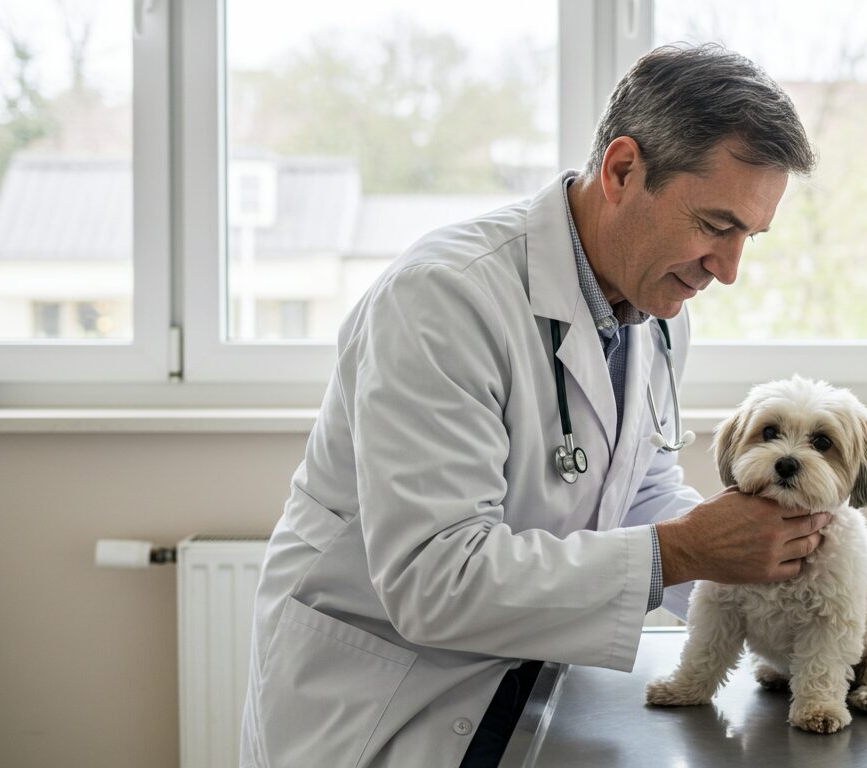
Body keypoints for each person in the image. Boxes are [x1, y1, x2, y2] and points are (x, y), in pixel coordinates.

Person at [240, 43, 822, 768]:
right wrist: (687, 551)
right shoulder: (443, 299)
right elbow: (435, 580)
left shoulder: (661, 308)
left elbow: (639, 487)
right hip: (387, 704)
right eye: (715, 225)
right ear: (621, 171)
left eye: (750, 237)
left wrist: (782, 593)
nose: (729, 270)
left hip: (536, 683)